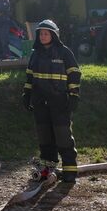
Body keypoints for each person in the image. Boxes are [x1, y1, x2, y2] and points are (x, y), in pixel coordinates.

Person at [22, 19, 81, 183]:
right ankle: (47, 169)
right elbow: (29, 77)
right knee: (44, 137)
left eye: (46, 34)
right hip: (40, 102)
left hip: (59, 102)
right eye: (41, 34)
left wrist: (74, 95)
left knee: (63, 136)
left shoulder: (64, 52)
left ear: (54, 35)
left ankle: (70, 170)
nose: (43, 36)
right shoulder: (35, 54)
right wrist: (26, 94)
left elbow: (74, 74)